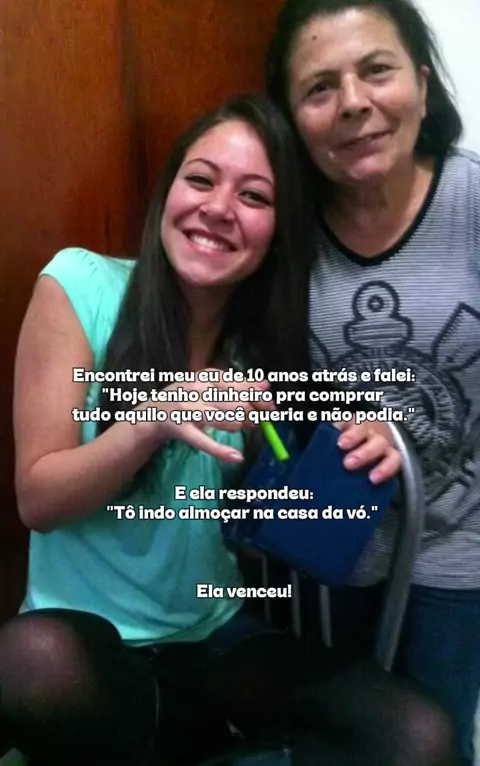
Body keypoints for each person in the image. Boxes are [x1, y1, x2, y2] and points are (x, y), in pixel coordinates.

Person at [0, 94, 459, 766]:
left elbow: (301, 497)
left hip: (215, 637)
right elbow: (38, 500)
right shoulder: (80, 286)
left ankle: (196, 740)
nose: (218, 209)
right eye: (201, 179)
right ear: (169, 193)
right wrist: (151, 422)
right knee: (29, 663)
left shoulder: (265, 351)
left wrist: (368, 441)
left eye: (254, 196)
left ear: (278, 230)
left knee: (418, 736)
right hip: (87, 652)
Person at [265, 2, 480, 765]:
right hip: (328, 546)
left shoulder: (471, 203)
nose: (353, 102)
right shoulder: (283, 226)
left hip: (459, 546)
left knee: (438, 740)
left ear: (421, 84)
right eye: (320, 87)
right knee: (338, 746)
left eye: (376, 70)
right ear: (294, 118)